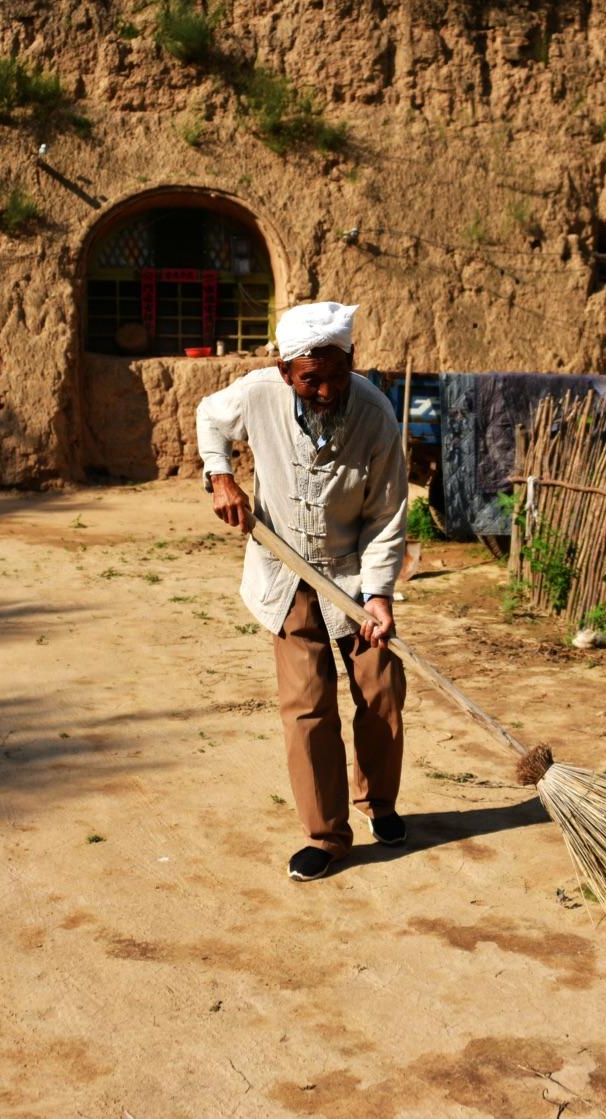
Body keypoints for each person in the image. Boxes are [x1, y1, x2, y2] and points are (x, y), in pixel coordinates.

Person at [195, 301, 409, 882]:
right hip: (285, 573)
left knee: (382, 688)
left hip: (353, 575)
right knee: (308, 705)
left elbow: (386, 515)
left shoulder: (375, 414)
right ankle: (326, 835)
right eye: (311, 379)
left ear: (352, 360)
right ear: (285, 370)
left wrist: (379, 594)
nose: (327, 390)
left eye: (338, 374)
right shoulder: (258, 393)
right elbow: (209, 416)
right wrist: (221, 475)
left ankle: (378, 803)